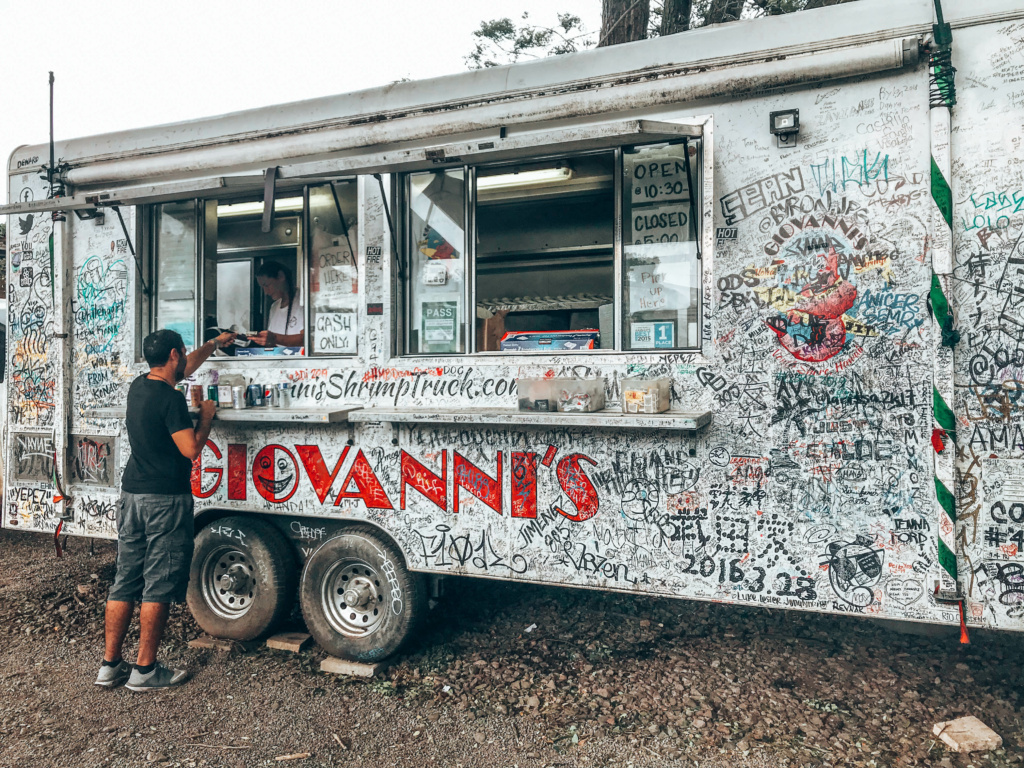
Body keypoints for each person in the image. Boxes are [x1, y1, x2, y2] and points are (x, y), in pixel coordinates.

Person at [95, 327, 235, 691]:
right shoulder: (171, 400)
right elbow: (190, 450)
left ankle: (110, 666)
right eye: (184, 354)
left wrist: (214, 345)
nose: (186, 359)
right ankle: (145, 670)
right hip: (164, 500)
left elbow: (186, 369)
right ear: (174, 354)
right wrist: (205, 416)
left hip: (133, 495)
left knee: (125, 580)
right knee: (157, 584)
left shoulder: (139, 386)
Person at [250, 261, 303, 348]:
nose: (266, 292)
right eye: (263, 288)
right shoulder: (274, 307)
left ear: (280, 276)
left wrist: (274, 338)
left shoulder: (304, 301)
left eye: (267, 285)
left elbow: (308, 338)